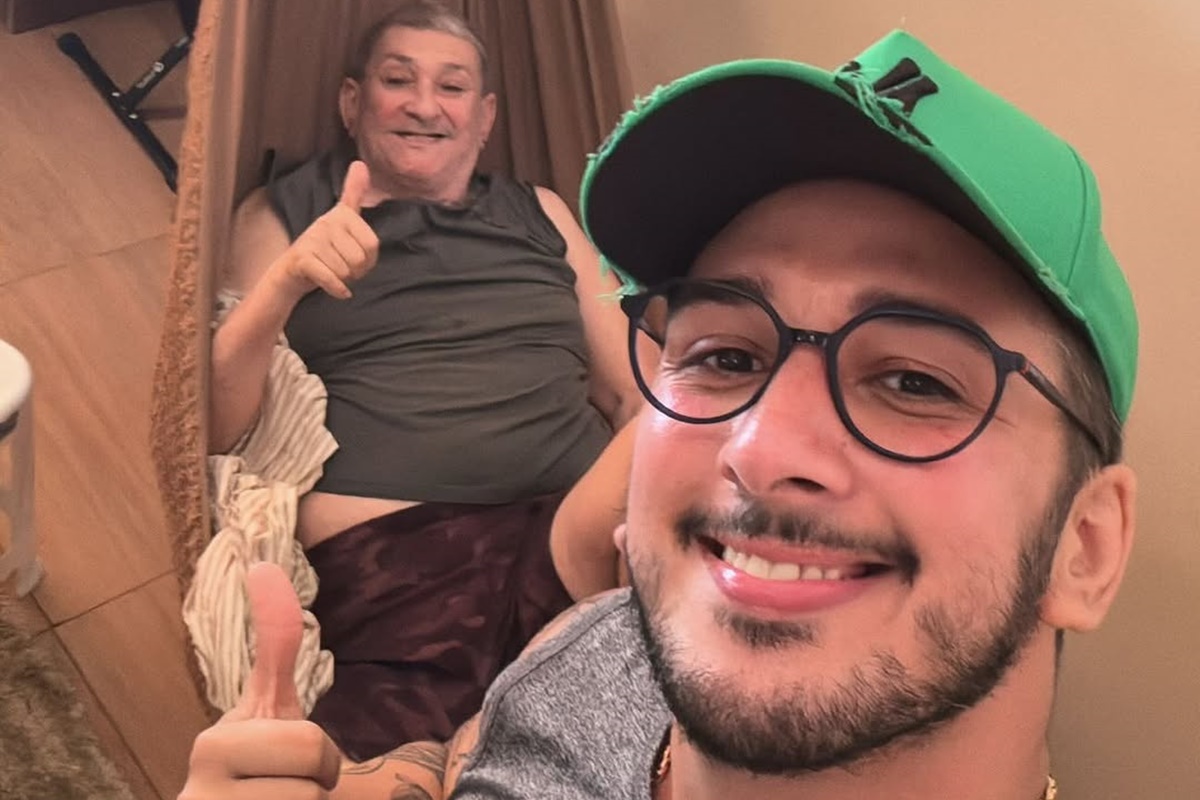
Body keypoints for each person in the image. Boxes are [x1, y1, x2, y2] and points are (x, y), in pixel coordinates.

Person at [180, 28, 1139, 800]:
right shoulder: (603, 645)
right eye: (727, 356)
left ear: (1085, 547)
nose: (760, 448)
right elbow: (479, 758)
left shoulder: (534, 216)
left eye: (917, 382)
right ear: (353, 102)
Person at [206, 0, 640, 760]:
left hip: (575, 533)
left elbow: (639, 387)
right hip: (399, 562)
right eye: (398, 80)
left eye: (452, 86)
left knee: (634, 744)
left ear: (485, 116)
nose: (424, 105)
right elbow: (218, 426)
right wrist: (285, 283)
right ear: (352, 102)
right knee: (386, 768)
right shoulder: (284, 211)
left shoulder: (539, 209)